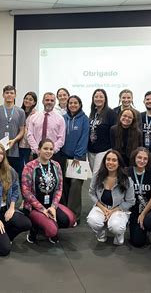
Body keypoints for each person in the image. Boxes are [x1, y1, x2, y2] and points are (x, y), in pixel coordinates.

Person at [22, 139, 76, 244]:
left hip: (51, 205)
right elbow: (26, 191)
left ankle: (50, 224)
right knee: (52, 230)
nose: (48, 151)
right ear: (39, 150)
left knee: (69, 220)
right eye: (45, 148)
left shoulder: (56, 165)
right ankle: (34, 229)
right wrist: (42, 209)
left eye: (51, 149)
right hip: (34, 207)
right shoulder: (29, 166)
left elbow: (59, 188)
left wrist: (53, 207)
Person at [87, 150, 135, 245]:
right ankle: (101, 232)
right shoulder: (97, 175)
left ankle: (119, 233)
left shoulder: (127, 179)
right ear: (104, 161)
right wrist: (103, 208)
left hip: (119, 209)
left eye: (114, 160)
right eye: (108, 159)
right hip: (102, 207)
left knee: (116, 226)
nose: (110, 162)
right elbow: (91, 193)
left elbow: (130, 202)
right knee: (92, 220)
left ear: (119, 163)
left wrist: (112, 211)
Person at [57, 95, 90, 224]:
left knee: (75, 186)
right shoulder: (63, 118)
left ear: (80, 104)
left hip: (78, 158)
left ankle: (74, 216)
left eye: (76, 103)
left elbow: (84, 138)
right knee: (64, 185)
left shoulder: (84, 119)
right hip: (64, 156)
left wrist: (77, 155)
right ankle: (64, 214)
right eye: (70, 103)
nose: (73, 105)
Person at [127, 147, 151, 247]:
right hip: (134, 208)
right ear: (134, 157)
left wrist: (143, 214)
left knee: (149, 220)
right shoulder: (127, 172)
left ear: (148, 160)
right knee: (137, 242)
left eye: (145, 159)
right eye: (139, 157)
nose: (142, 161)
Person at [0, 85, 26, 174]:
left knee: (13, 174)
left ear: (15, 95)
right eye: (7, 93)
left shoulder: (20, 112)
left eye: (11, 93)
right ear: (3, 95)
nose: (9, 95)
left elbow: (22, 130)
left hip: (14, 150)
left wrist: (14, 140)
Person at [88, 89, 118, 176]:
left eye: (101, 97)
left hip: (104, 150)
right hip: (91, 150)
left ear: (105, 99)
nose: (98, 99)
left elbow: (115, 133)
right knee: (95, 174)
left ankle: (93, 190)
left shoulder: (111, 113)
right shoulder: (93, 113)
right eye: (96, 97)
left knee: (97, 174)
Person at [27, 92, 65, 156]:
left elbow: (61, 138)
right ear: (42, 101)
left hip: (53, 154)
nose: (49, 102)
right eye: (47, 100)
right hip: (37, 153)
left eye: (52, 100)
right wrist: (37, 150)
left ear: (55, 103)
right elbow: (30, 135)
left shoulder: (60, 119)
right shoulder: (34, 117)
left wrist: (51, 150)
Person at [18, 91, 37, 177]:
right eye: (26, 98)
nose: (27, 101)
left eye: (30, 99)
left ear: (34, 102)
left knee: (27, 169)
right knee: (18, 168)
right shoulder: (18, 111)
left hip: (28, 146)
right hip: (17, 144)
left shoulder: (36, 114)